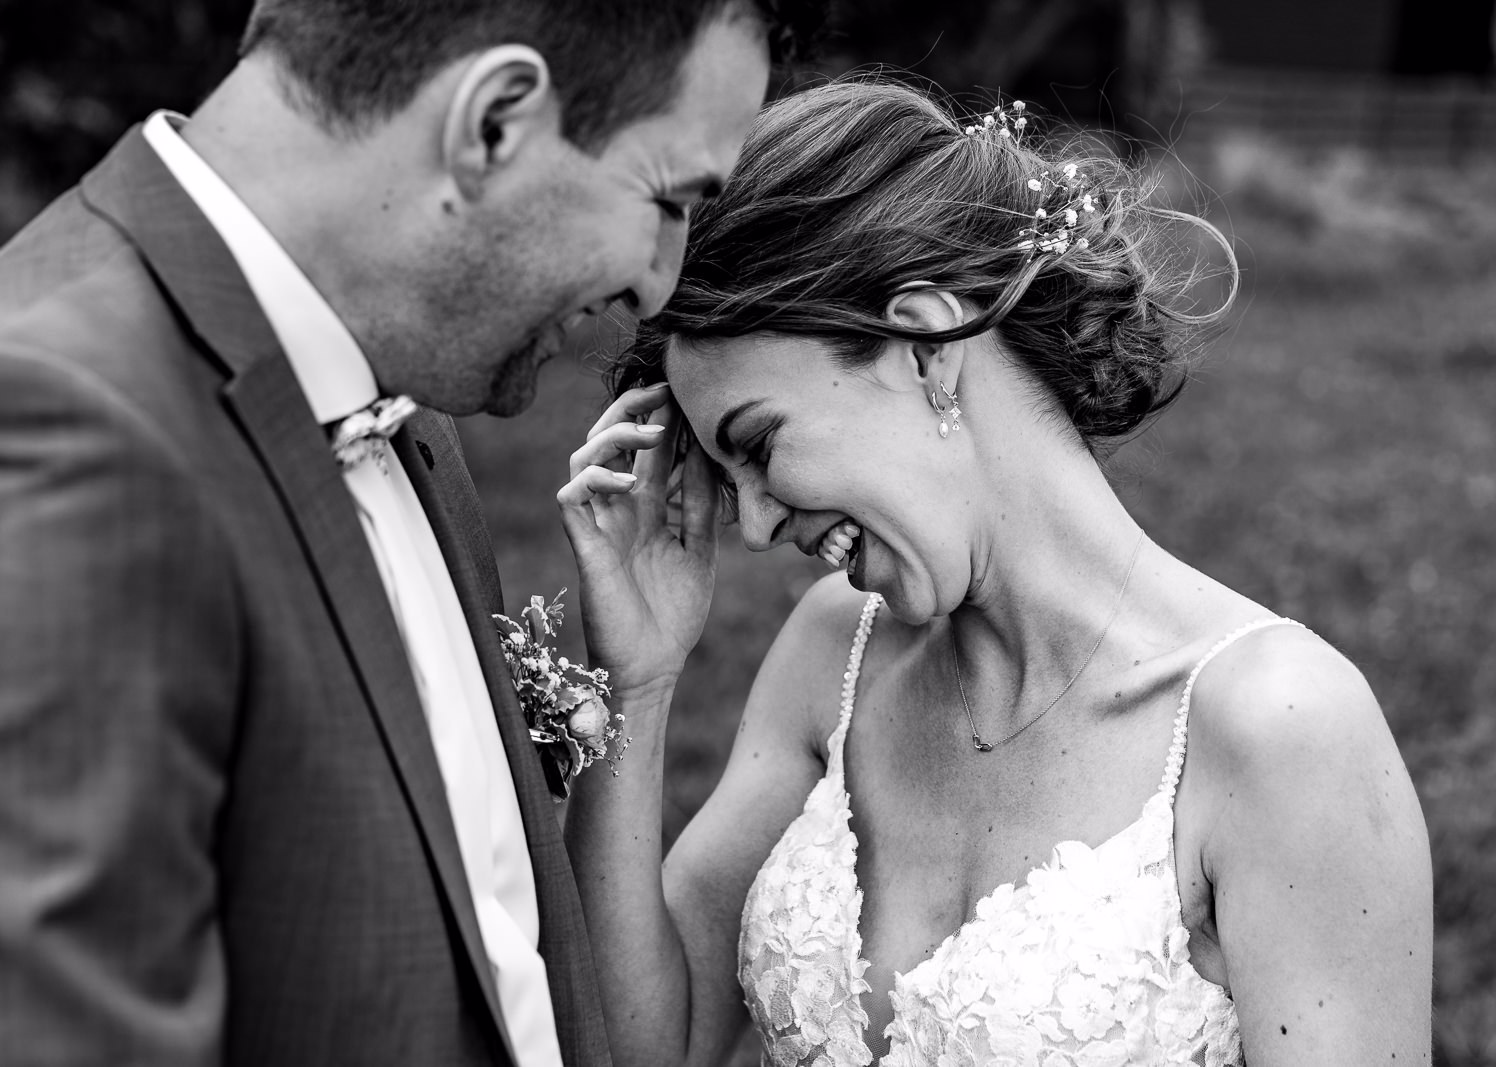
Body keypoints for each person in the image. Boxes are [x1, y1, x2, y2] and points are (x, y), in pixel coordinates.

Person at [0, 1, 826, 1062]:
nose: (658, 283)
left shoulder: (404, 396)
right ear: (492, 122)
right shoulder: (44, 440)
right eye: (666, 200)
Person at [557, 79, 1433, 1066]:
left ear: (927, 345)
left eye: (759, 446)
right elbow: (638, 1049)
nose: (753, 525)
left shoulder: (1280, 730)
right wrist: (636, 681)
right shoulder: (832, 652)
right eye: (728, 478)